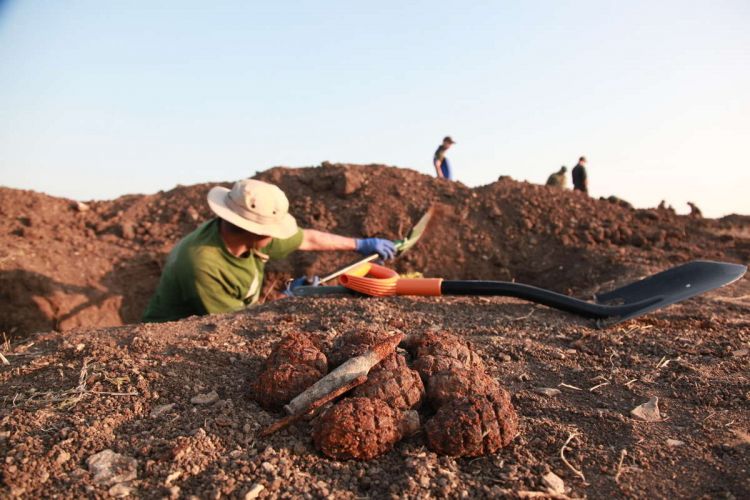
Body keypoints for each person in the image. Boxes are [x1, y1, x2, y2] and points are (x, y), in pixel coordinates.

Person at [142, 178, 396, 322]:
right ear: (255, 232)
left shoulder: (241, 235)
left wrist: (360, 244)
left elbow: (308, 239)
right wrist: (290, 298)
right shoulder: (203, 264)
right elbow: (232, 323)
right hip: (170, 337)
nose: (277, 236)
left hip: (232, 310)